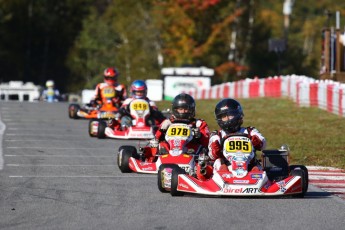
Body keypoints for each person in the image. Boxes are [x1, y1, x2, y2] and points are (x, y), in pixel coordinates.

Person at [149, 93, 211, 178]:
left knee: (201, 150)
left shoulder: (199, 123)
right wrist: (162, 130)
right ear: (175, 109)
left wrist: (199, 135)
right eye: (180, 109)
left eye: (186, 109)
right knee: (160, 145)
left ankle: (197, 166)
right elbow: (156, 138)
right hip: (170, 149)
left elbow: (207, 141)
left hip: (190, 150)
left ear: (191, 110)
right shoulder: (168, 122)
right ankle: (153, 160)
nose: (183, 112)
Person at [208, 98, 266, 174]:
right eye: (224, 117)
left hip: (248, 166)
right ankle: (222, 178)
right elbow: (211, 155)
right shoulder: (218, 135)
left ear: (237, 115)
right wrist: (215, 149)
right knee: (218, 162)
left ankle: (257, 181)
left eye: (230, 115)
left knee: (257, 167)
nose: (227, 119)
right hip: (227, 166)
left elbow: (263, 144)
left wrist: (257, 141)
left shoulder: (249, 131)